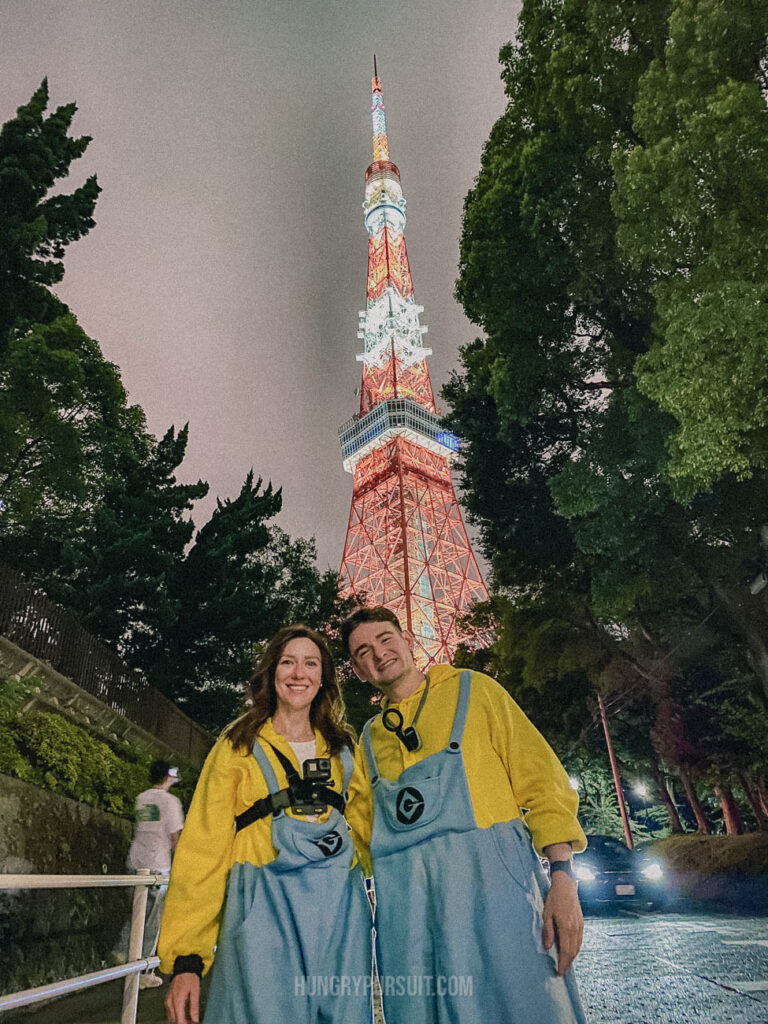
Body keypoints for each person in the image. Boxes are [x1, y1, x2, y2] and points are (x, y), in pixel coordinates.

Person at [342, 606, 589, 1024]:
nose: (379, 653)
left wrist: (563, 877)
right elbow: (357, 841)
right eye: (363, 651)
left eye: (385, 638)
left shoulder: (476, 692)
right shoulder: (367, 742)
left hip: (497, 900)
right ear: (358, 670)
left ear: (407, 640)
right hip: (410, 917)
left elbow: (543, 783)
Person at [158, 624, 373, 1024]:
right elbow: (203, 851)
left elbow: (372, 834)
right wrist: (187, 959)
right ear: (272, 673)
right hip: (260, 912)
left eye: (310, 663)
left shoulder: (346, 750)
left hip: (341, 916)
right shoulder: (238, 745)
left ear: (323, 677)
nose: (298, 673)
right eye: (288, 662)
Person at [114, 759, 185, 989]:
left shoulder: (141, 798)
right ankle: (144, 970)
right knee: (152, 920)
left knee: (137, 913)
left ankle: (123, 950)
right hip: (157, 865)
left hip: (135, 861)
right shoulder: (171, 802)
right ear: (167, 777)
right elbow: (175, 838)